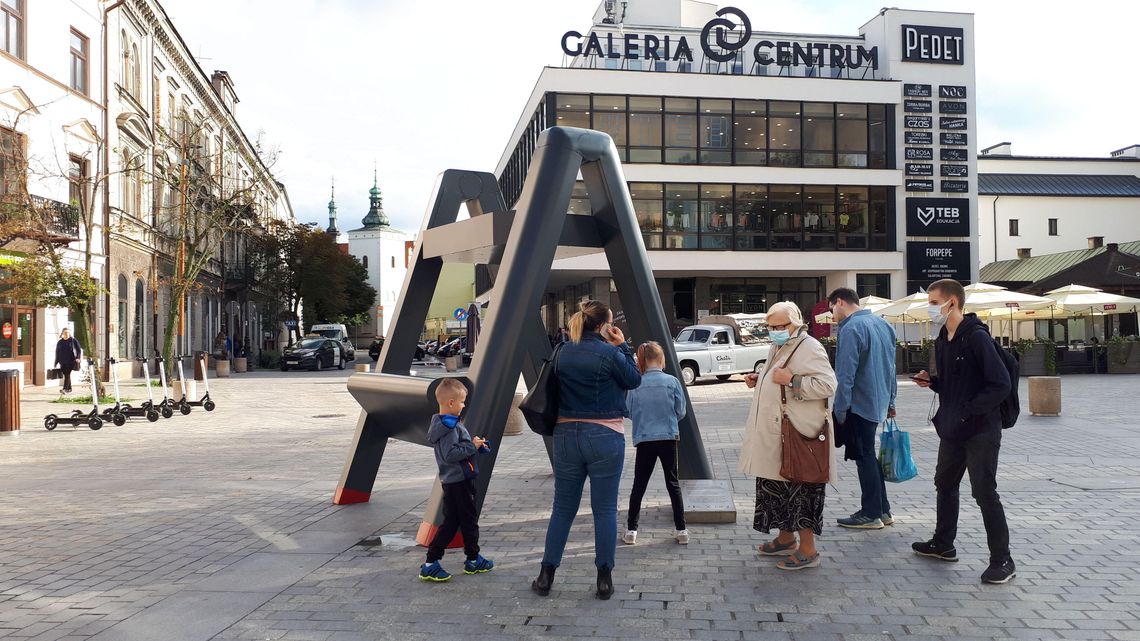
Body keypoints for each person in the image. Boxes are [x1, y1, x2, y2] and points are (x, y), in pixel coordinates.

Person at [531, 300, 641, 600]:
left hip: (565, 435)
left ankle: (545, 575)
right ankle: (604, 579)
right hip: (605, 435)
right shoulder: (610, 352)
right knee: (604, 510)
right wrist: (623, 347)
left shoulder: (562, 351)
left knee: (562, 509)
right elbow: (634, 379)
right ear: (605, 325)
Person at [913, 278, 1016, 585]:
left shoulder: (976, 337)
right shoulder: (943, 337)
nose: (930, 308)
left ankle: (1003, 560)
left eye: (933, 302)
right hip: (952, 427)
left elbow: (1001, 384)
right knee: (944, 483)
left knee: (984, 492)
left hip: (981, 428)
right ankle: (943, 544)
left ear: (952, 303)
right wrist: (931, 381)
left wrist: (970, 409)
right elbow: (954, 382)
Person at [739, 302, 837, 571]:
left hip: (799, 434)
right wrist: (761, 378)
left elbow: (828, 384)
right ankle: (785, 538)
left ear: (795, 322)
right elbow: (779, 376)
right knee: (777, 485)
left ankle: (808, 550)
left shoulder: (810, 347)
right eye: (770, 327)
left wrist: (793, 381)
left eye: (779, 326)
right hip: (778, 435)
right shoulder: (781, 345)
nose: (774, 331)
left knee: (800, 488)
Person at [828, 287, 898, 530]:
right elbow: (891, 368)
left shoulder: (851, 328)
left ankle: (870, 513)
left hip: (858, 404)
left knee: (864, 456)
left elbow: (845, 374)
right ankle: (883, 509)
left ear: (839, 302)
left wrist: (839, 410)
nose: (833, 315)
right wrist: (891, 402)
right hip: (878, 402)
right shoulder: (884, 325)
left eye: (832, 309)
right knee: (869, 454)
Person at [419, 378, 494, 582]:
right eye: (462, 402)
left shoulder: (445, 424)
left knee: (452, 522)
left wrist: (473, 444)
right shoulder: (448, 427)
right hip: (459, 482)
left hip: (454, 481)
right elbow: (450, 454)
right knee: (468, 521)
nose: (463, 406)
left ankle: (432, 562)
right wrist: (473, 447)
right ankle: (472, 559)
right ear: (450, 402)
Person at [622, 341, 689, 546]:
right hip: (668, 437)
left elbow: (628, 410)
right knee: (673, 483)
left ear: (641, 361)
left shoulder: (636, 384)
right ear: (661, 359)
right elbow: (681, 411)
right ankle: (681, 530)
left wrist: (644, 420)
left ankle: (632, 530)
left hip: (644, 439)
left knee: (639, 485)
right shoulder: (673, 381)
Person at [54, 328, 82, 395]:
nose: (66, 334)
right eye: (65, 332)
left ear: (70, 333)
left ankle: (65, 389)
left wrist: (78, 357)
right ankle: (69, 388)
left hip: (71, 361)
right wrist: (56, 362)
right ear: (62, 334)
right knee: (66, 375)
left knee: (67, 374)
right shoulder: (60, 342)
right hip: (62, 361)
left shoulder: (73, 340)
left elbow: (79, 350)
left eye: (67, 332)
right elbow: (57, 352)